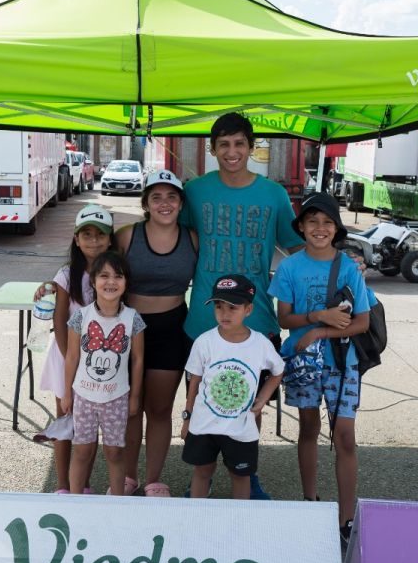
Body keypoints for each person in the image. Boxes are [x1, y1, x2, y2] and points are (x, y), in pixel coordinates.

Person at [179, 112, 303, 499]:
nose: (231, 152)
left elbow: (297, 247)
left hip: (258, 317)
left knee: (250, 405)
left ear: (251, 147)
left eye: (239, 144)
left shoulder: (274, 195)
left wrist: (340, 264)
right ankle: (202, 478)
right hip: (205, 318)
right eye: (224, 144)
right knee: (205, 401)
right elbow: (175, 235)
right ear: (212, 148)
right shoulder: (195, 190)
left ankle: (247, 474)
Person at [269, 192, 371, 547]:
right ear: (300, 227)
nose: (320, 228)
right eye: (312, 221)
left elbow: (362, 322)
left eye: (328, 222)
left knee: (345, 437)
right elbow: (284, 318)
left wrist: (320, 331)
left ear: (337, 229)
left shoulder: (348, 267)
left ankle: (346, 518)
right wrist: (316, 316)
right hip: (302, 362)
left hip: (343, 362)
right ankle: (310, 502)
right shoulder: (289, 267)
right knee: (309, 428)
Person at [116, 169, 198, 498]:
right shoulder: (126, 236)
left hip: (172, 327)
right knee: (130, 408)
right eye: (156, 197)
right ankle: (128, 476)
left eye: (171, 197)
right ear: (146, 203)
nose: (165, 203)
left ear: (181, 203)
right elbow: (93, 269)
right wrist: (54, 284)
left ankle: (153, 479)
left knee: (160, 409)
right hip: (127, 329)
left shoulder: (193, 239)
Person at [181, 274, 284, 499]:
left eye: (232, 307)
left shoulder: (260, 343)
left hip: (241, 427)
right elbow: (194, 381)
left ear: (248, 309)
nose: (224, 313)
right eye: (219, 306)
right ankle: (195, 514)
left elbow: (278, 371)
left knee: (240, 476)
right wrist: (187, 418)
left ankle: (240, 517)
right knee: (202, 472)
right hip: (203, 424)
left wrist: (262, 399)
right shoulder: (204, 342)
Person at [37, 204, 114, 493]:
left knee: (88, 428)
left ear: (110, 239)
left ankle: (83, 485)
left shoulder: (114, 273)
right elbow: (59, 321)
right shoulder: (66, 275)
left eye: (100, 235)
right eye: (87, 235)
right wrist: (72, 361)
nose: (94, 241)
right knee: (65, 422)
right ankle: (62, 486)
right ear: (76, 239)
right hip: (66, 358)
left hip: (100, 363)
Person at [61, 250, 145, 496]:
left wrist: (134, 397)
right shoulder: (81, 316)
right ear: (93, 280)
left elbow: (138, 359)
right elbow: (72, 357)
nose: (111, 282)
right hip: (84, 396)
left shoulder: (132, 318)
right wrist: (67, 393)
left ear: (126, 282)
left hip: (117, 397)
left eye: (118, 276)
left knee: (115, 452)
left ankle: (117, 503)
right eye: (104, 276)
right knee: (82, 451)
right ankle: (75, 501)